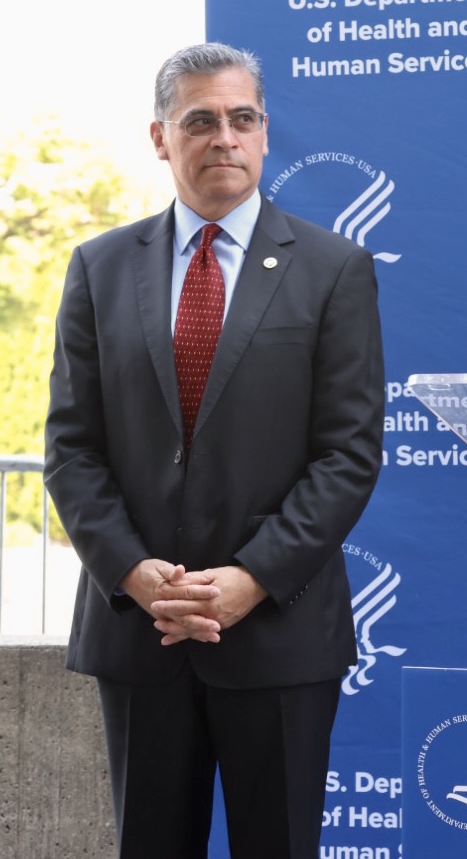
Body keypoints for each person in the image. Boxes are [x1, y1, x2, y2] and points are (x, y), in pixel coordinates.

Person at [44, 42, 385, 858]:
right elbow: (71, 447)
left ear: (265, 133)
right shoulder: (97, 268)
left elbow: (347, 453)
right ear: (161, 138)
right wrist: (132, 572)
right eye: (200, 121)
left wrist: (250, 579)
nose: (224, 138)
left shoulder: (336, 269)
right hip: (141, 631)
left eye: (242, 119)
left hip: (277, 634)